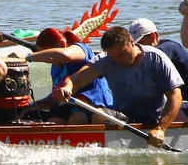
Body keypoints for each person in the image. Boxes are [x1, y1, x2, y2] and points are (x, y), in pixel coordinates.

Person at [53, 26, 184, 148]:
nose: (117, 60)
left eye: (121, 54)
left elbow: (175, 95)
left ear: (132, 42)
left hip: (153, 119)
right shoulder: (105, 60)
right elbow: (76, 79)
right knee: (78, 116)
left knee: (97, 116)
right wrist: (67, 87)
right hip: (124, 115)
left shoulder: (155, 58)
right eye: (113, 57)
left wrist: (161, 129)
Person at [24, 28, 113, 124]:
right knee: (50, 119)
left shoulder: (80, 48)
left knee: (78, 117)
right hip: (71, 108)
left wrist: (27, 57)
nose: (46, 60)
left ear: (62, 44)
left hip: (96, 108)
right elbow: (55, 98)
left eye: (45, 54)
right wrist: (31, 106)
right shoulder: (55, 67)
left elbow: (64, 55)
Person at [129, 18, 188, 101]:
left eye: (139, 43)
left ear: (153, 36)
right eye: (134, 45)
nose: (137, 48)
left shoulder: (166, 49)